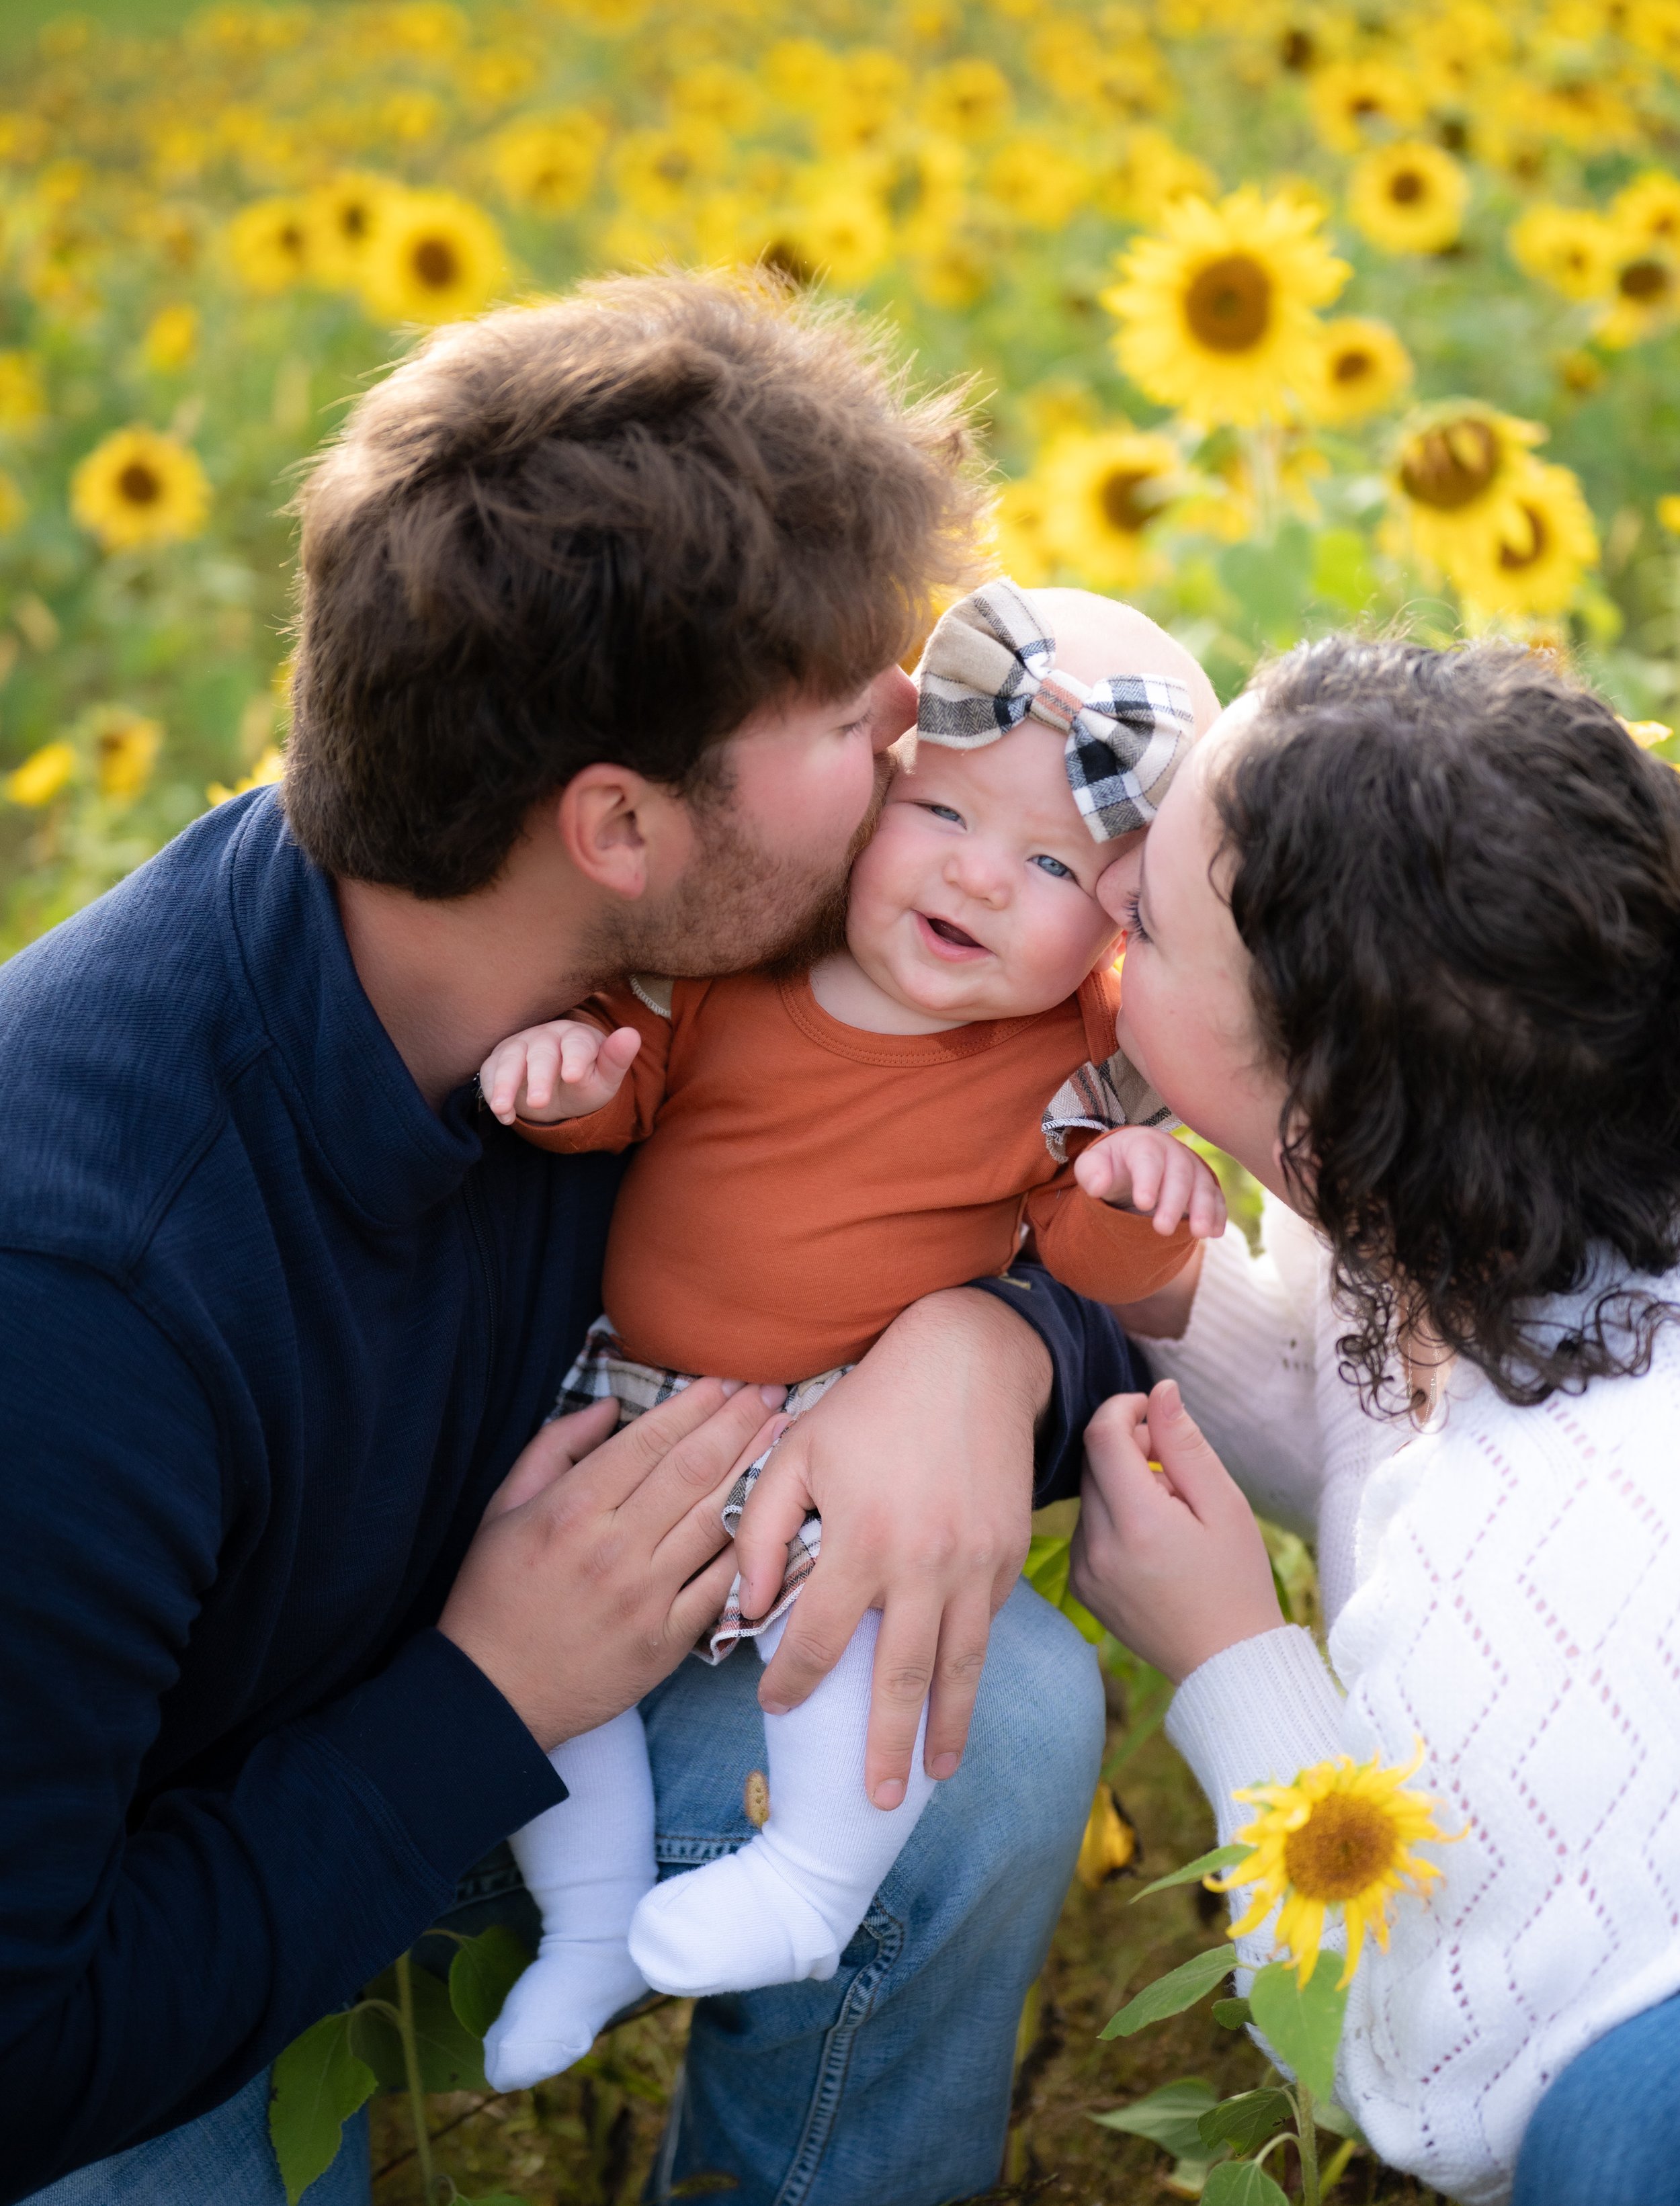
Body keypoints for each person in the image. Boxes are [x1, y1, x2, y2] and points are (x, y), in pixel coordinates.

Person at [1, 278, 1126, 2206]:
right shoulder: (78, 1295)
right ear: (620, 818)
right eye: (866, 722)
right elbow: (25, 2042)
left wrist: (990, 1345)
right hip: (143, 1909)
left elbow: (1022, 1181)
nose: (919, 773)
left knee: (999, 1720)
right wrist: (486, 1700)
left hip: (468, 1728)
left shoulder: (692, 954)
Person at [471, 580, 1226, 2088]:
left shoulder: (1059, 1059)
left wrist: (1145, 1190)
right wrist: (560, 1077)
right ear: (877, 787)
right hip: (623, 1395)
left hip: (837, 1429)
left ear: (1118, 928)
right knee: (530, 1622)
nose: (982, 881)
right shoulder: (741, 965)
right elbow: (626, 1092)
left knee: (870, 1630)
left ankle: (812, 1885)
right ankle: (589, 1908)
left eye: (1052, 863)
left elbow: (1092, 1256)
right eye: (941, 815)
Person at [1064, 635, 1680, 2206]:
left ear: (1318, 1109)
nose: (1105, 904)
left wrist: (1227, 1658)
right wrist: (1118, 1256)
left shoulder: (1522, 1543)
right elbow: (1353, 1413)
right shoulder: (1477, 1173)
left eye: (1144, 921)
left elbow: (1419, 2082)